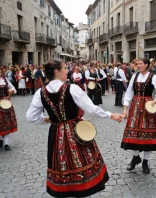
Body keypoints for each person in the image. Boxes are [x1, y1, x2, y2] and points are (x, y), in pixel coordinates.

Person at [26, 59, 123, 197]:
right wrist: (111, 115)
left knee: (60, 163)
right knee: (81, 162)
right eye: (65, 68)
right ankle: (82, 190)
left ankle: (65, 189)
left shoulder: (40, 93)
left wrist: (47, 119)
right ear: (56, 72)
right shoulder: (71, 88)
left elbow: (31, 116)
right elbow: (91, 108)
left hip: (56, 132)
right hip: (74, 130)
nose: (67, 71)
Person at [121, 58, 156, 174]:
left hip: (148, 108)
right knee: (134, 133)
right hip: (135, 107)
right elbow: (129, 93)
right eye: (137, 64)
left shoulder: (152, 77)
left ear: (146, 65)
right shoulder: (134, 76)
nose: (138, 65)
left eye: (140, 64)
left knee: (147, 135)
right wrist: (125, 108)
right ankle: (135, 158)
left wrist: (155, 101)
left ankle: (145, 161)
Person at [0, 66, 17, 151]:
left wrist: (11, 91)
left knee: (7, 123)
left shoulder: (5, 80)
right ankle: (0, 139)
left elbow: (14, 89)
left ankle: (6, 144)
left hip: (7, 103)